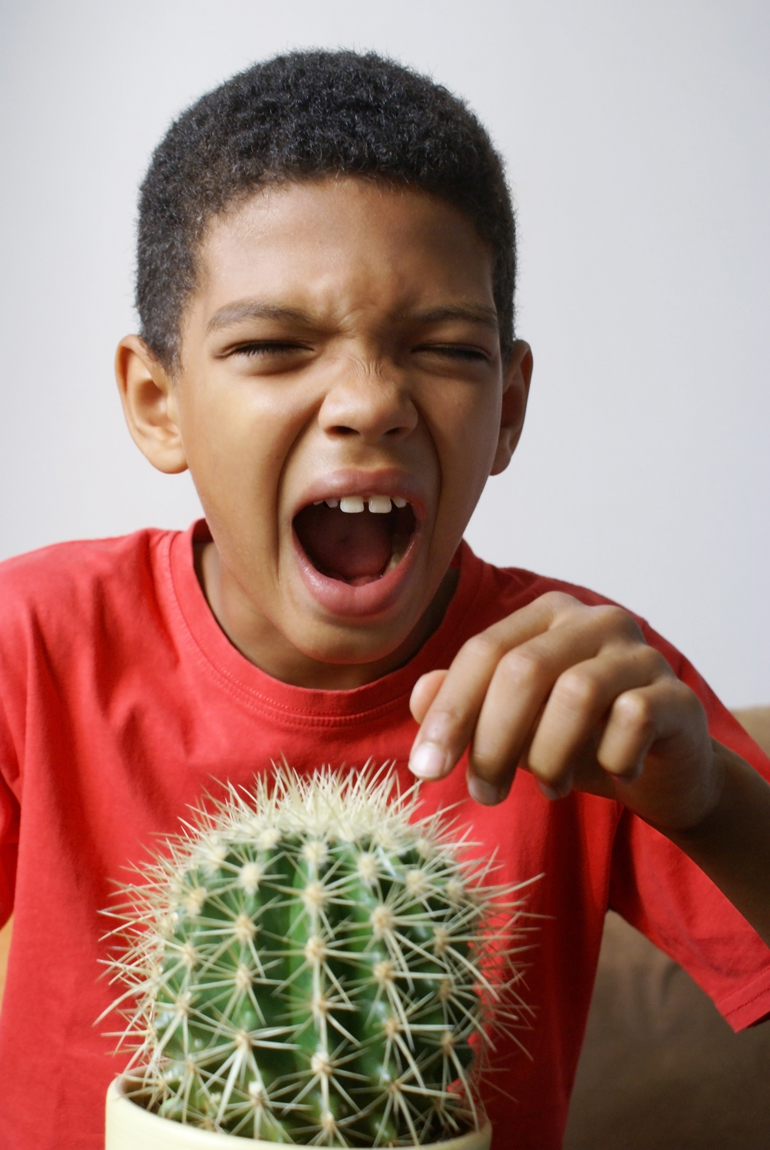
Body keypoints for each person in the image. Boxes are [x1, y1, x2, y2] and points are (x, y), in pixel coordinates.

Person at [0, 50, 768, 1150]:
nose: (368, 402)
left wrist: (708, 805)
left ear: (506, 408)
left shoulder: (585, 686)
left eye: (445, 349)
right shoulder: (32, 642)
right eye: (271, 346)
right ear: (157, 401)